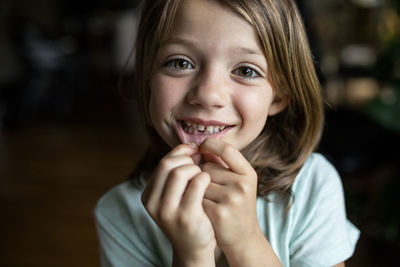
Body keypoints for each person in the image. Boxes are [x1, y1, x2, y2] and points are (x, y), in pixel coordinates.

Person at [94, 0, 360, 266]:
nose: (208, 95)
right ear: (147, 77)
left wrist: (245, 240)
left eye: (246, 71)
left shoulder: (311, 186)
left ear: (280, 96)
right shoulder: (119, 213)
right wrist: (192, 255)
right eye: (180, 63)